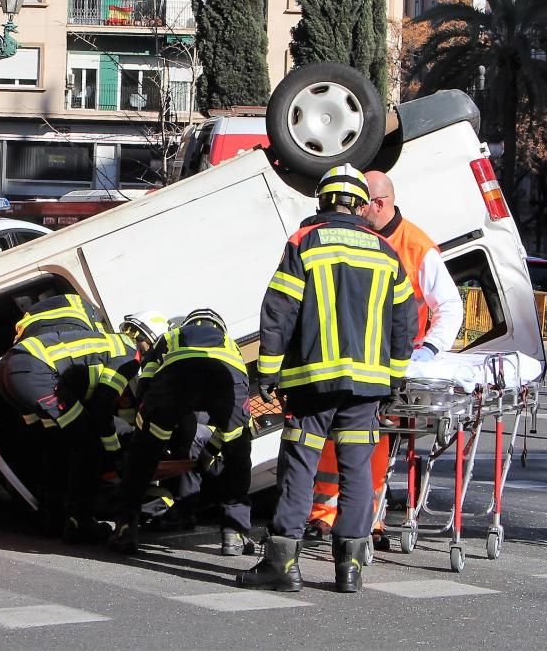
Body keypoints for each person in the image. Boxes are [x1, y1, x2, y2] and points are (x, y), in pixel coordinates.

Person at [237, 164, 418, 593]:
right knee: (356, 471)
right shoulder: (385, 251)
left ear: (322, 200)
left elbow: (280, 311)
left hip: (311, 385)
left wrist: (267, 374)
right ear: (359, 203)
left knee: (301, 467)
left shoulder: (304, 241)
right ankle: (349, 569)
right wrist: (392, 381)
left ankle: (282, 564)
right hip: (366, 389)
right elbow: (404, 323)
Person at [305, 170, 463, 549]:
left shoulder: (415, 246)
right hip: (355, 359)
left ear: (378, 204)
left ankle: (366, 520)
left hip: (390, 363)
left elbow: (449, 306)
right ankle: (325, 515)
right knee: (339, 440)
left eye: (361, 204)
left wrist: (427, 351)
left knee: (370, 442)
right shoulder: (364, 238)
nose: (355, 211)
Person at [0, 301, 144, 543]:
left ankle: (53, 519)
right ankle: (79, 523)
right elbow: (102, 406)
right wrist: (115, 454)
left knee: (54, 442)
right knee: (87, 444)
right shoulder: (128, 354)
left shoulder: (103, 343)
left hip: (8, 369)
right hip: (34, 370)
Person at [111, 308, 254, 557]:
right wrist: (212, 451)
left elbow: (147, 376)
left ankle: (125, 527)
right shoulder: (230, 344)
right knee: (238, 453)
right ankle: (235, 532)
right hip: (224, 378)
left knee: (143, 455)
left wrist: (146, 421)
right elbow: (240, 389)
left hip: (177, 379)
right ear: (219, 326)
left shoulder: (171, 336)